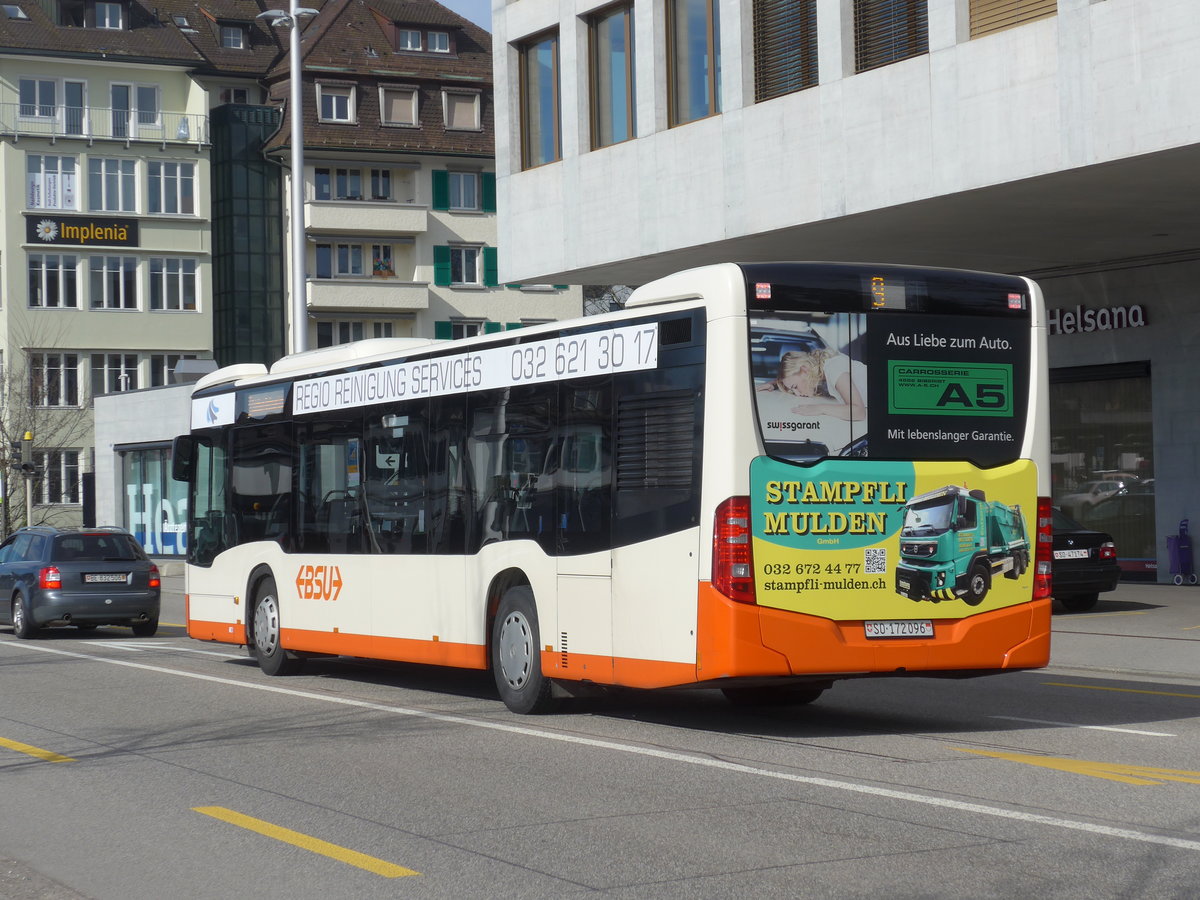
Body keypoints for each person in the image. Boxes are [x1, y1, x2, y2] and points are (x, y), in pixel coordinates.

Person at [756, 348, 866, 421]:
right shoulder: (823, 371)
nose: (797, 394)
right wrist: (774, 383)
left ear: (805, 370)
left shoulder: (833, 368)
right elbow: (792, 378)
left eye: (795, 387)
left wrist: (820, 408)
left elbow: (859, 412)